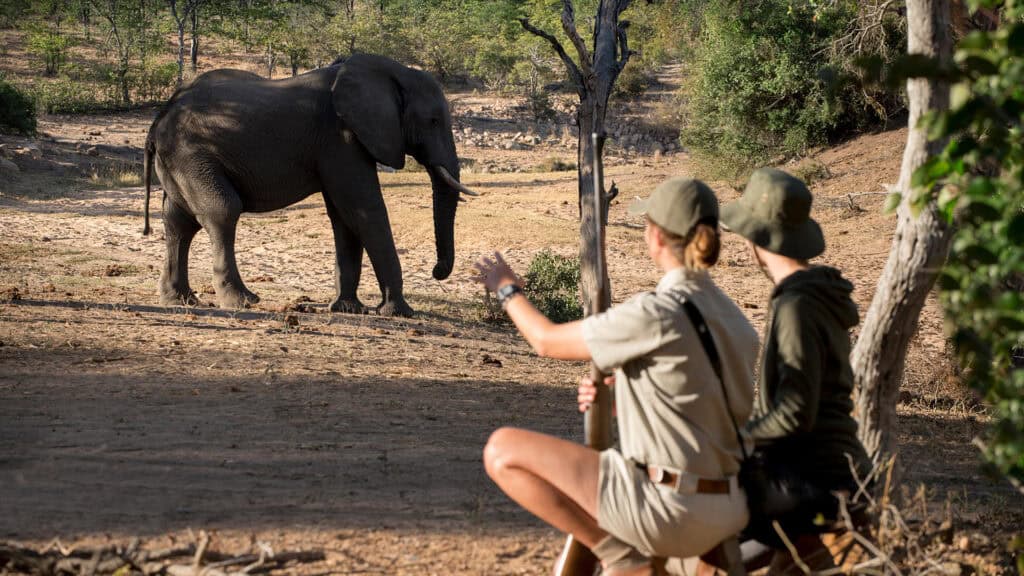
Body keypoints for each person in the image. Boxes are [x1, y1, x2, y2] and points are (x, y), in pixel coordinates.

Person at [473, 177, 759, 575]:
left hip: (669, 509)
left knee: (502, 450)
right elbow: (700, 400)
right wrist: (627, 396)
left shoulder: (657, 310)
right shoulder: (738, 321)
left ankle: (624, 558)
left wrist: (507, 290)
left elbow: (546, 341)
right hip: (730, 507)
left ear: (656, 236)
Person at [718, 168, 872, 568]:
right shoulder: (818, 295)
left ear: (756, 238)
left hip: (814, 484)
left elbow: (795, 411)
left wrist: (735, 440)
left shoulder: (796, 305)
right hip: (835, 476)